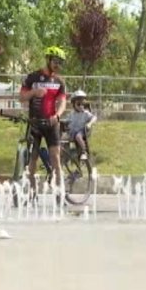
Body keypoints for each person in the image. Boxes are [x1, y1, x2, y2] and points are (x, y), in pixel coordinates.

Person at [19, 46, 68, 199]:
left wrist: (58, 116)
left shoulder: (60, 81)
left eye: (60, 63)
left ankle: (59, 193)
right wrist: (34, 92)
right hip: (35, 123)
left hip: (52, 123)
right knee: (32, 158)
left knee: (55, 157)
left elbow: (62, 102)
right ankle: (33, 193)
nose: (57, 65)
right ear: (48, 60)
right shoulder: (32, 77)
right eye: (55, 61)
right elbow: (21, 97)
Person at [66, 89, 97, 161]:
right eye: (78, 104)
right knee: (62, 139)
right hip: (72, 132)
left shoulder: (85, 113)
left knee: (78, 136)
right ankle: (63, 157)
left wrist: (89, 123)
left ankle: (84, 151)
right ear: (73, 104)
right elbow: (66, 121)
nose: (81, 106)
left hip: (82, 132)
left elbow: (94, 118)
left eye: (82, 104)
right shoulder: (71, 114)